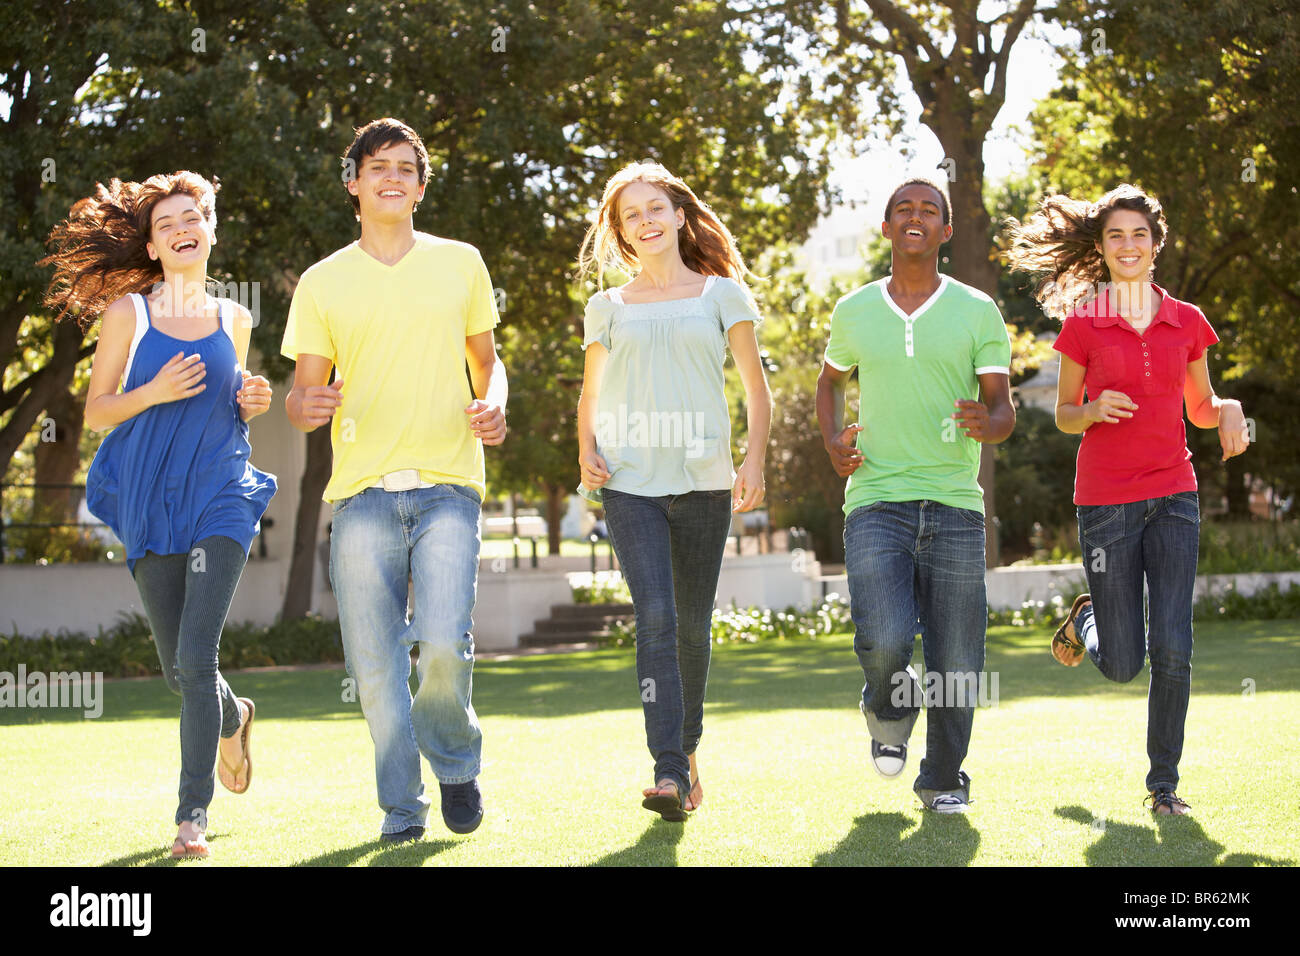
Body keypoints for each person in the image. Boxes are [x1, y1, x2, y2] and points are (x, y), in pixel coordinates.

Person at [282, 117, 506, 843]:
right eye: (377, 165)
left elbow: (487, 361)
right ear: (354, 181)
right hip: (362, 495)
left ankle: (455, 762)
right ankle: (401, 810)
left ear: (419, 184)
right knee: (375, 670)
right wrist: (304, 405)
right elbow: (301, 396)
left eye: (407, 167)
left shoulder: (461, 263)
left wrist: (494, 401)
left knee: (443, 642)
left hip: (448, 483)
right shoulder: (321, 282)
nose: (392, 176)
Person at [42, 171, 276, 858]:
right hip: (150, 497)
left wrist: (251, 400)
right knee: (180, 672)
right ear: (151, 243)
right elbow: (97, 410)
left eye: (191, 216)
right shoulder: (130, 316)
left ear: (209, 231)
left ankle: (190, 816)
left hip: (221, 495)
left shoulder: (236, 317)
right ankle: (234, 717)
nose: (181, 228)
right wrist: (152, 391)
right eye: (167, 222)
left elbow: (229, 406)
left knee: (196, 657)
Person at [1005, 184, 1248, 816]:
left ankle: (1162, 786)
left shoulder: (1186, 321)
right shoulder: (1085, 321)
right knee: (1121, 665)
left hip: (1174, 494)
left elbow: (1200, 407)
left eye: (1139, 233)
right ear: (1102, 247)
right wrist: (1090, 409)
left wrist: (1231, 409)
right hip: (1106, 502)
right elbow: (1061, 415)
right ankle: (1089, 619)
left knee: (1174, 645)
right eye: (1116, 235)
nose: (1128, 244)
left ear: (1156, 242)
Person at [576, 161, 771, 821]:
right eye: (632, 214)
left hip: (705, 481)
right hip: (629, 482)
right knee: (655, 615)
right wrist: (586, 452)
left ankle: (686, 754)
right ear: (621, 231)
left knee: (691, 624)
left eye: (656, 208)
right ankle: (665, 769)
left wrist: (754, 460)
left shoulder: (723, 295)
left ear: (680, 215)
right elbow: (591, 392)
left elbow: (755, 387)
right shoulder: (607, 307)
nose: (647, 221)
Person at [816, 178, 1015, 813]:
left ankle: (944, 778)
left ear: (945, 232)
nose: (916, 216)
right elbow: (828, 385)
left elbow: (1002, 407)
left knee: (958, 658)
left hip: (956, 502)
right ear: (886, 228)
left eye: (930, 210)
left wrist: (991, 424)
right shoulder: (854, 311)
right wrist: (831, 440)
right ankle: (887, 709)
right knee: (886, 639)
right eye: (903, 207)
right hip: (875, 498)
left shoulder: (977, 309)